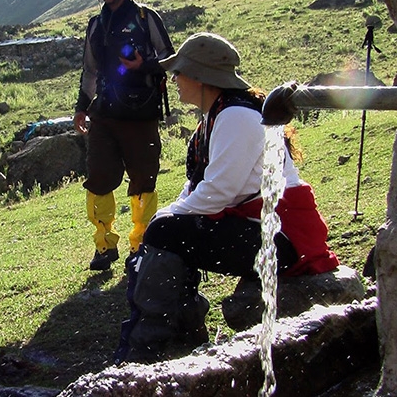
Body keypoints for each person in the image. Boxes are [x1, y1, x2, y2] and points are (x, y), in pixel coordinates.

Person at [115, 32, 340, 363]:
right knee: (167, 231)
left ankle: (151, 346)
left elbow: (218, 192)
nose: (174, 79)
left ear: (201, 77)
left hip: (284, 240)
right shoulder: (218, 115)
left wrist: (166, 219)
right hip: (265, 229)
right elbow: (198, 187)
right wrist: (171, 215)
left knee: (165, 232)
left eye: (180, 72)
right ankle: (175, 336)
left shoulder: (236, 116)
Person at [74, 0, 174, 271]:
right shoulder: (95, 25)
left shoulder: (147, 18)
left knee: (143, 180)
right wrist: (81, 106)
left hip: (141, 113)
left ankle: (141, 245)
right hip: (103, 113)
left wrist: (142, 66)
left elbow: (170, 58)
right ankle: (104, 246)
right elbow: (90, 70)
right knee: (99, 179)